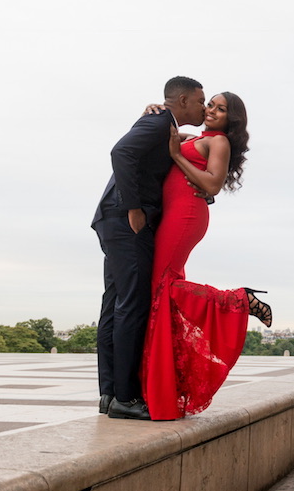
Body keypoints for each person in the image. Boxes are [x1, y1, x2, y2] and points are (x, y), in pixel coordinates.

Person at [141, 91, 272, 421]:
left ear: (232, 118)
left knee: (163, 287)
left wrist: (177, 156)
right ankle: (161, 387)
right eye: (211, 105)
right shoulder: (200, 137)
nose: (212, 110)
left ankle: (238, 300)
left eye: (221, 108)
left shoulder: (219, 143)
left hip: (186, 214)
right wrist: (154, 111)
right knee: (163, 292)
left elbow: (213, 185)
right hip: (175, 213)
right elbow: (167, 133)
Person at [92, 76, 207, 420]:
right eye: (201, 101)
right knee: (133, 304)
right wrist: (135, 208)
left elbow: (140, 156)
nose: (203, 107)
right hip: (126, 220)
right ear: (183, 100)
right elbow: (121, 151)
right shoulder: (158, 121)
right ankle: (126, 399)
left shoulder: (159, 123)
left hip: (112, 219)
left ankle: (111, 393)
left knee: (115, 303)